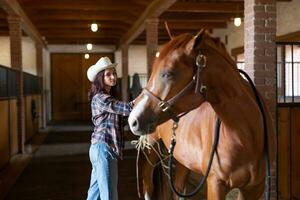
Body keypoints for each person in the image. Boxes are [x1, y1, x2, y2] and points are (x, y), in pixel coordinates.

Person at [86, 56, 134, 200]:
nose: (113, 76)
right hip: (104, 149)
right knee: (109, 195)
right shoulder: (101, 98)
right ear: (100, 78)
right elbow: (127, 108)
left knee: (94, 195)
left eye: (114, 73)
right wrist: (146, 97)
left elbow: (120, 121)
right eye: (108, 74)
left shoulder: (107, 96)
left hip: (99, 149)